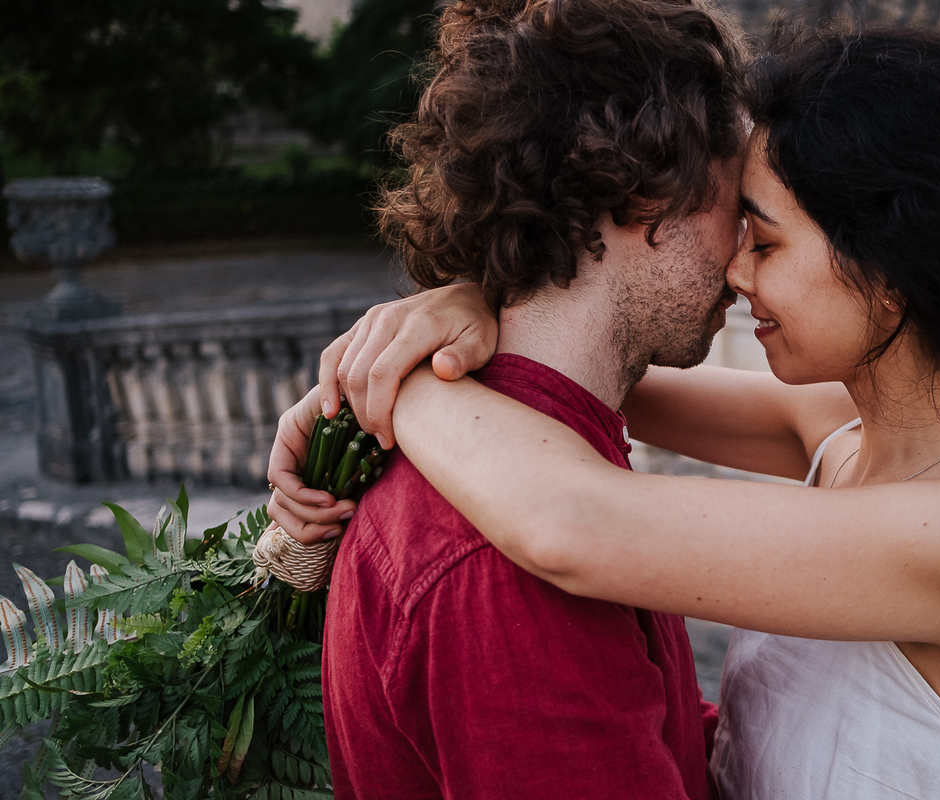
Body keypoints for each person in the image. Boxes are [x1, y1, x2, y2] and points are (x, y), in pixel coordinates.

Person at [271, 25, 940, 800]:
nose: (736, 270)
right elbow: (601, 382)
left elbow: (569, 520)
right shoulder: (837, 426)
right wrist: (466, 302)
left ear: (891, 271)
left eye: (766, 237)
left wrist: (400, 381)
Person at [266, 0, 751, 797]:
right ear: (642, 193)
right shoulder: (505, 563)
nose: (742, 263)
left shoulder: (549, 446)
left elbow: (654, 731)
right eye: (737, 210)